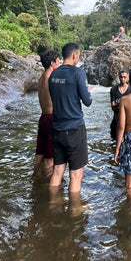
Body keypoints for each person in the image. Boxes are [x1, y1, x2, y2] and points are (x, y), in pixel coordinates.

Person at [48, 42, 92, 195]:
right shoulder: (78, 72)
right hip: (74, 129)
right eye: (78, 56)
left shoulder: (53, 74)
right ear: (74, 55)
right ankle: (75, 212)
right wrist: (86, 90)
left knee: (57, 171)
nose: (78, 58)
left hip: (56, 129)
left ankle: (52, 205)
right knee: (76, 175)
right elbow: (87, 101)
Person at [33, 49, 60, 178]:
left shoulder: (41, 78)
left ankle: (34, 177)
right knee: (50, 159)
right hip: (51, 120)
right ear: (52, 63)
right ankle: (43, 186)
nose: (59, 64)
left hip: (43, 117)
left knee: (39, 154)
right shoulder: (52, 78)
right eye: (58, 61)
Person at [110, 70, 131, 139]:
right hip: (116, 119)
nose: (123, 79)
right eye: (121, 77)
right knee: (115, 140)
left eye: (124, 77)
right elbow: (113, 108)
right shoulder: (113, 89)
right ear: (119, 77)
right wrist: (119, 104)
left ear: (128, 78)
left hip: (128, 119)